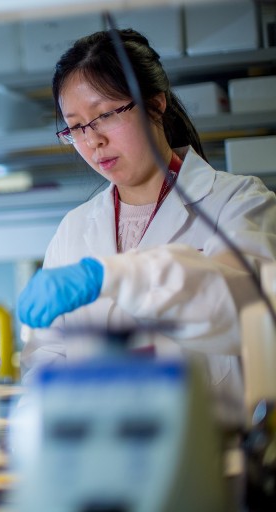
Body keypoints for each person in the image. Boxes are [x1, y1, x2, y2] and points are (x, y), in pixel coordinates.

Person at [16, 29, 276, 426]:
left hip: (216, 459)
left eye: (104, 115)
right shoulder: (74, 229)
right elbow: (48, 358)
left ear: (155, 104)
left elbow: (248, 309)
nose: (93, 141)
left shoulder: (238, 203)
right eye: (76, 127)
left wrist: (112, 276)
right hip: (100, 456)